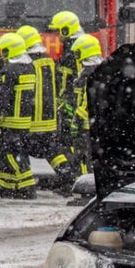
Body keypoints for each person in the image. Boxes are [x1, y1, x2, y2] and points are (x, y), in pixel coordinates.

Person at [17, 25, 75, 192]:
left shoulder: (28, 63)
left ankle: (23, 184)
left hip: (32, 119)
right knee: (51, 150)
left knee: (19, 148)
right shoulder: (49, 60)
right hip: (49, 119)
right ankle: (67, 177)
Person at [0, 33, 38, 199]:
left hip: (12, 120)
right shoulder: (29, 67)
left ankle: (27, 185)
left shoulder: (9, 71)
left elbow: (4, 97)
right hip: (25, 120)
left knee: (10, 153)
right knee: (18, 151)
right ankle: (7, 186)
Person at [69, 34, 104, 175]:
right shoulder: (103, 69)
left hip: (86, 126)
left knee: (84, 158)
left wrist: (75, 122)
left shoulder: (87, 74)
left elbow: (85, 103)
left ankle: (86, 190)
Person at [48, 10, 84, 125]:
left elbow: (67, 78)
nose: (57, 36)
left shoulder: (73, 50)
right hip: (76, 99)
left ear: (65, 30)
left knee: (68, 133)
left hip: (73, 100)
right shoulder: (77, 45)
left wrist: (62, 99)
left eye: (58, 31)